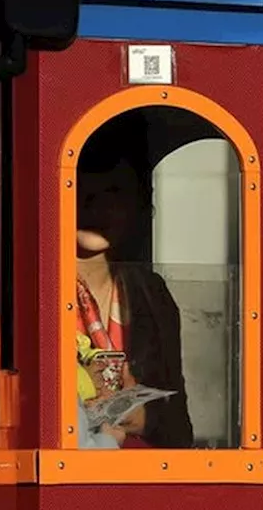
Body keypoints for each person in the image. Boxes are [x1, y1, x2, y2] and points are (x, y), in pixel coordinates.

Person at [73, 113, 194, 448]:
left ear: (138, 203)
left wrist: (146, 418)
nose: (94, 205)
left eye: (113, 190)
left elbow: (181, 428)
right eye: (79, 186)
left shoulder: (151, 293)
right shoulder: (35, 289)